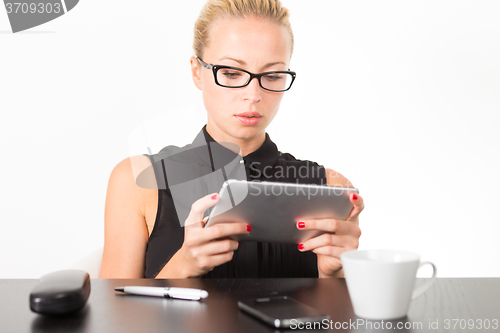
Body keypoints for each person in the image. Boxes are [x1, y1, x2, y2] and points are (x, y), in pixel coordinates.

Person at [100, 0, 364, 279]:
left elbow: (341, 322)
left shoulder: (330, 188)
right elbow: (110, 318)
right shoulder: (137, 180)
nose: (253, 94)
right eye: (231, 73)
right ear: (196, 71)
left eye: (272, 75)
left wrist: (332, 275)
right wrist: (183, 266)